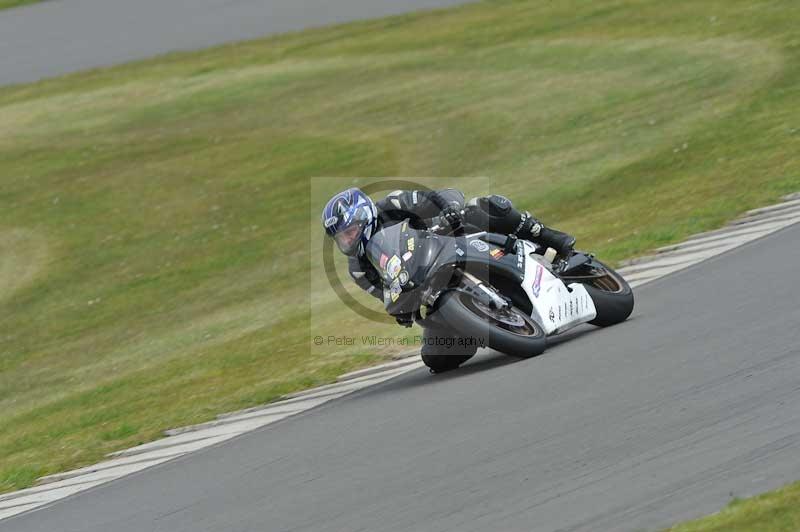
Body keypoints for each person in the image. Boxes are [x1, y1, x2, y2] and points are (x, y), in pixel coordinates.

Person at [322, 187, 575, 369]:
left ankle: (552, 239)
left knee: (484, 207)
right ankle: (482, 325)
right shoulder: (358, 268)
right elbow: (383, 293)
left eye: (350, 231)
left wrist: (449, 211)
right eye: (342, 238)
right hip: (425, 287)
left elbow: (436, 196)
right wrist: (400, 310)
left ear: (364, 215)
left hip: (447, 238)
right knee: (435, 359)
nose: (348, 240)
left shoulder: (393, 204)